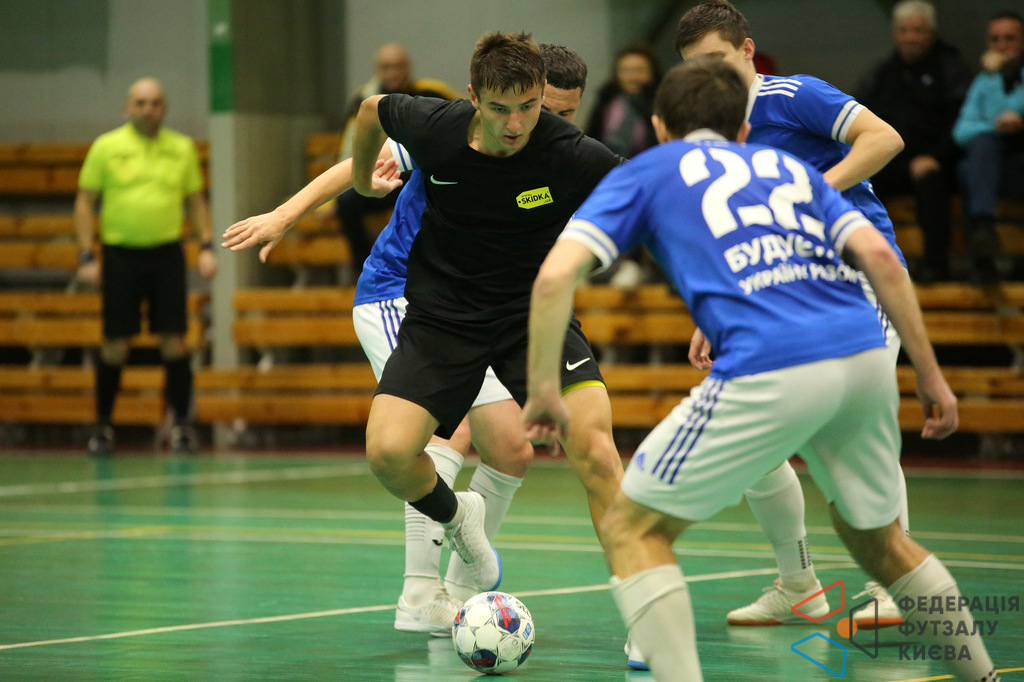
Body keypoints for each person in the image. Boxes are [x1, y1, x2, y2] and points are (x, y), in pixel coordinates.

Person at [523, 56, 1000, 682]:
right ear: (743, 130)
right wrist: (930, 374)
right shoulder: (789, 169)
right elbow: (882, 259)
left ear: (660, 126)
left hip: (772, 361)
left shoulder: (648, 170)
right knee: (881, 541)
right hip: (860, 351)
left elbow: (554, 278)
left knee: (632, 525)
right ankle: (986, 677)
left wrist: (542, 389)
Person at [223, 43, 601, 637]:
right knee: (442, 432)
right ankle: (421, 592)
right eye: (534, 109)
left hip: (486, 307)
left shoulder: (561, 153)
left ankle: (462, 594)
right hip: (401, 292)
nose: (533, 125)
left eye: (559, 114)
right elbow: (367, 138)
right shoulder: (449, 130)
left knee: (511, 448)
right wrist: (286, 214)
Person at [348, 29, 630, 649]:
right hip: (443, 319)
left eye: (528, 106)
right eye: (501, 109)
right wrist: (366, 182)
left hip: (534, 319)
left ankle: (645, 618)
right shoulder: (435, 127)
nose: (516, 124)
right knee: (388, 453)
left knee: (597, 451)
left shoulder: (570, 152)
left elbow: (647, 198)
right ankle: (460, 517)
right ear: (474, 97)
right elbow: (371, 110)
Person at [675, 0, 911, 628]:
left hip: (860, 282)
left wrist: (811, 196)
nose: (711, 76)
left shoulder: (794, 95)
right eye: (697, 67)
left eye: (719, 60)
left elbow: (885, 138)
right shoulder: (715, 133)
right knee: (749, 438)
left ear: (748, 51)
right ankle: (798, 586)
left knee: (858, 431)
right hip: (779, 294)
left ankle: (897, 584)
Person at [75, 77, 217, 456]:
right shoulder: (106, 147)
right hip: (120, 256)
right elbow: (85, 202)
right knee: (115, 344)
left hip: (167, 255)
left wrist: (206, 245)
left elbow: (196, 201)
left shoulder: (181, 148)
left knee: (174, 341)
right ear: (128, 107)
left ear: (164, 109)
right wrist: (87, 254)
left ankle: (182, 426)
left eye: (155, 103)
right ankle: (103, 426)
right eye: (140, 103)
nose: (147, 109)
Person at [856, 0, 973, 282]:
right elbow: (860, 117)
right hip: (891, 161)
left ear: (932, 33)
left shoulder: (952, 69)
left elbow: (964, 122)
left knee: (931, 183)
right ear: (895, 33)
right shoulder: (882, 73)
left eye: (918, 30)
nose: (910, 37)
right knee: (858, 180)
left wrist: (936, 157)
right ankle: (863, 266)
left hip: (939, 163)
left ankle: (936, 266)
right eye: (904, 30)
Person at [335, 44, 459, 280]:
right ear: (377, 70)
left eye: (398, 66)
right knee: (346, 202)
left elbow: (464, 124)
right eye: (386, 67)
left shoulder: (432, 93)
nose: (393, 73)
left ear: (408, 68)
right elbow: (349, 148)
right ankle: (362, 269)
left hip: (417, 175)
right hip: (380, 175)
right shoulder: (364, 101)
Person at [952, 10, 1024, 284]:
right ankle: (983, 237)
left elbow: (1014, 109)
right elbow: (961, 132)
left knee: (973, 168)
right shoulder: (984, 81)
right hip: (993, 171)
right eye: (995, 39)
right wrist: (996, 126)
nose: (1001, 46)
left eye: (1009, 38)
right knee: (977, 155)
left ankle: (983, 254)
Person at [585, 44, 662, 290]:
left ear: (651, 73)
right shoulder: (607, 101)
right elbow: (592, 137)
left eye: (639, 70)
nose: (632, 76)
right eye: (626, 70)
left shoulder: (660, 104)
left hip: (649, 177)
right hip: (608, 176)